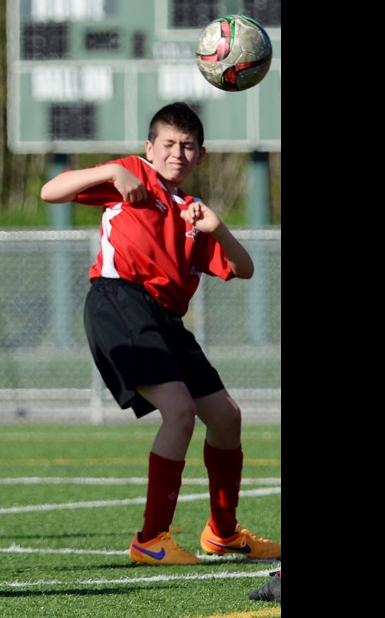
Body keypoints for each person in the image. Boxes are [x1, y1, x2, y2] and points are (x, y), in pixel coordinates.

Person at [40, 102, 281, 566]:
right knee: (180, 411)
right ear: (149, 148)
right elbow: (51, 191)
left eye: (187, 146)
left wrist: (218, 228)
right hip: (119, 300)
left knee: (227, 418)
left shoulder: (193, 213)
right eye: (168, 144)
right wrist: (112, 171)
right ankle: (151, 538)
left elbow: (243, 268)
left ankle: (224, 534)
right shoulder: (132, 174)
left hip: (166, 319)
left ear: (201, 156)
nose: (177, 153)